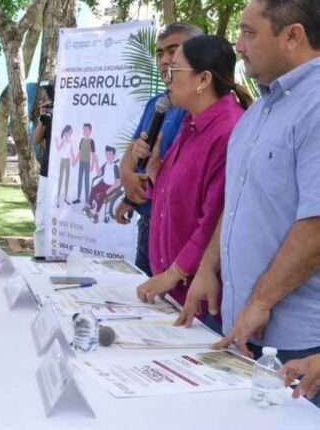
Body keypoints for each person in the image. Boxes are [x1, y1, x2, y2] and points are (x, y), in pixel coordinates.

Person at [175, 0, 320, 403]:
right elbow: (239, 203)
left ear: (293, 35)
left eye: (249, 32)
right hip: (241, 329)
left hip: (296, 345)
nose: (238, 45)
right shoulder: (259, 111)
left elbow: (315, 225)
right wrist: (207, 267)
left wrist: (260, 300)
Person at [135, 36, 251, 334]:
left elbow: (213, 220)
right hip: (172, 290)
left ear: (203, 79)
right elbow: (180, 197)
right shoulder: (190, 123)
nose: (168, 80)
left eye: (175, 71)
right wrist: (154, 175)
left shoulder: (227, 131)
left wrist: (174, 273)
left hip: (200, 300)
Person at [114, 22, 203, 275]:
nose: (165, 60)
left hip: (184, 234)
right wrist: (128, 182)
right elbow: (133, 151)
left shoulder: (203, 107)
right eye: (160, 53)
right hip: (149, 223)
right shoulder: (158, 103)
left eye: (173, 51)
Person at [32, 100, 53, 258]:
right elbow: (37, 139)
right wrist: (42, 118)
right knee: (42, 220)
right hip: (47, 172)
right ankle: (40, 256)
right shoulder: (49, 112)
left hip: (69, 172)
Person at [83, 145, 121, 223]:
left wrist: (110, 189)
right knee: (94, 189)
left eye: (110, 154)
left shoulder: (115, 167)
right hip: (103, 183)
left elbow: (118, 182)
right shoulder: (106, 164)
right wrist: (96, 162)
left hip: (110, 186)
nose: (108, 156)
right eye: (106, 154)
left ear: (114, 155)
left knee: (102, 196)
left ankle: (96, 215)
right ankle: (89, 206)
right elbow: (99, 173)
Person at [71, 123, 98, 205]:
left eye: (86, 129)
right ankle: (78, 198)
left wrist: (92, 165)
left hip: (87, 163)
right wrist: (75, 160)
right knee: (80, 180)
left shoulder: (91, 141)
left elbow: (93, 154)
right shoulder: (82, 140)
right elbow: (79, 152)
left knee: (86, 181)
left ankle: (87, 199)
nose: (84, 131)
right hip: (81, 162)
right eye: (83, 129)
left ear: (90, 131)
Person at [53, 124, 75, 207]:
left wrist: (73, 160)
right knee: (61, 178)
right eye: (69, 132)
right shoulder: (63, 140)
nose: (70, 134)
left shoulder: (71, 140)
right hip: (63, 159)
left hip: (68, 160)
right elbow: (58, 149)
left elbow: (72, 151)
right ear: (66, 132)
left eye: (71, 133)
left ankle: (65, 197)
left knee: (67, 178)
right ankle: (58, 198)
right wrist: (56, 140)